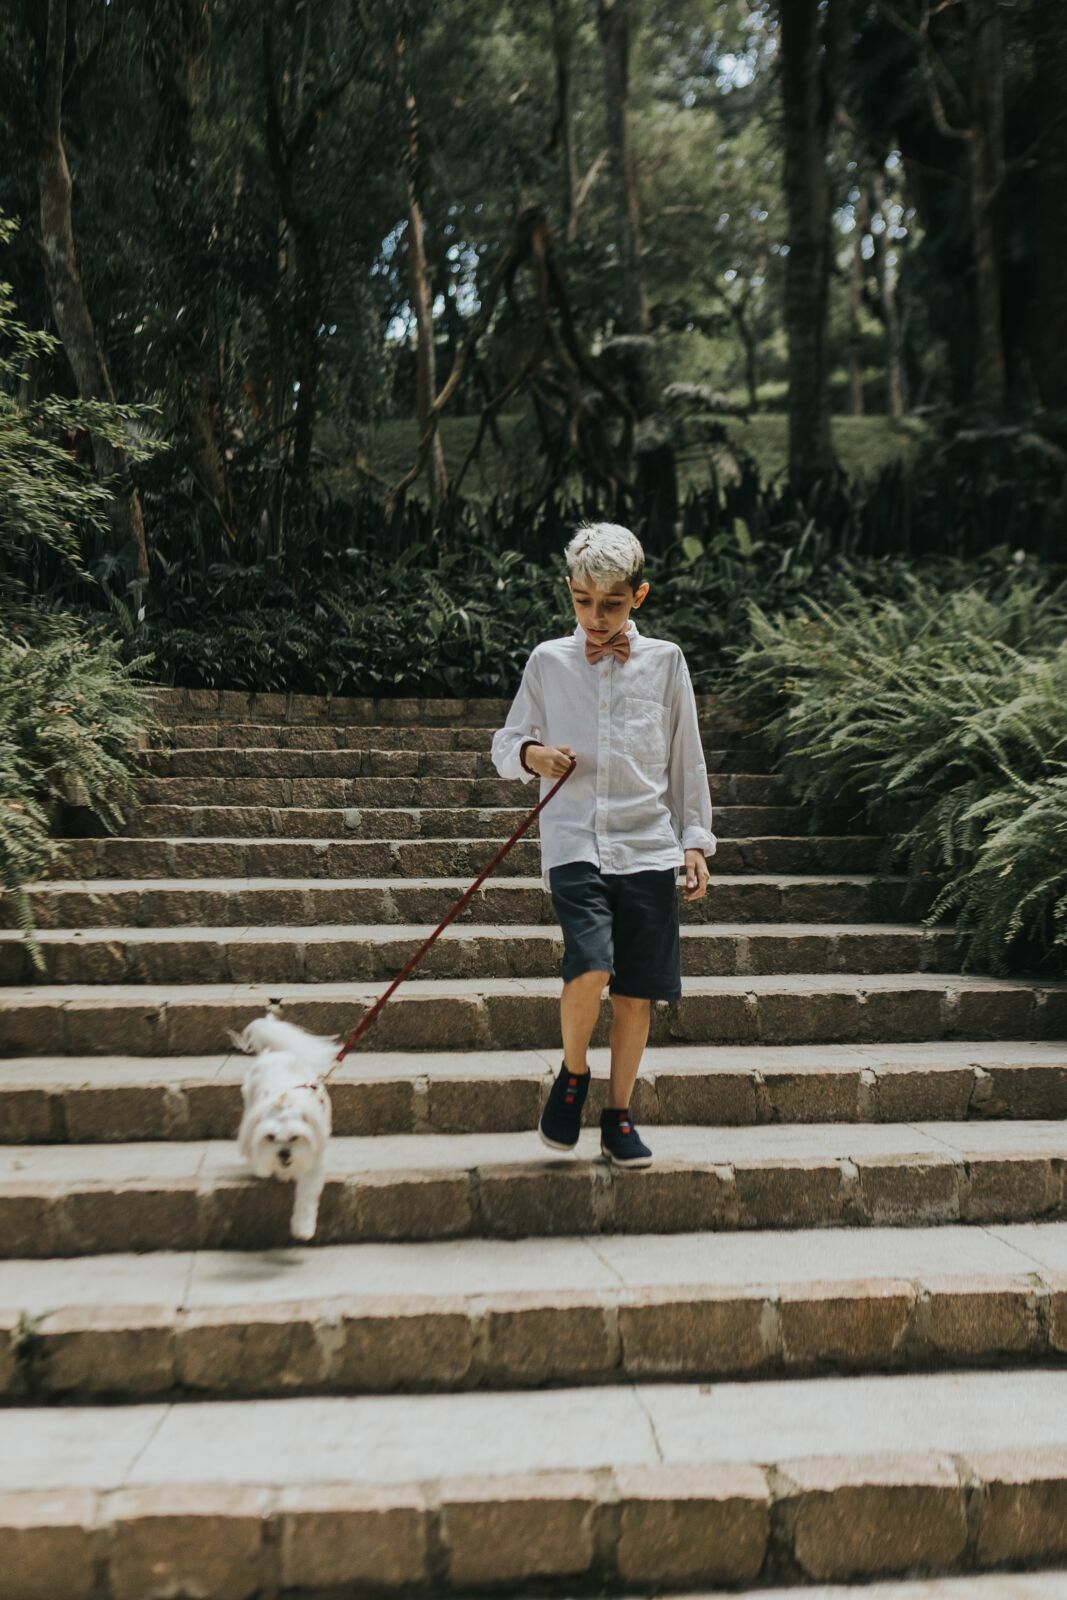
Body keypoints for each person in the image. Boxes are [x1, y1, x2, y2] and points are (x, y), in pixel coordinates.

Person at [490, 521, 716, 1168]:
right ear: (570, 592)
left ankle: (618, 1116)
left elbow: (685, 760)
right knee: (589, 962)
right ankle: (570, 1074)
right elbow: (506, 744)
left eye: (611, 604)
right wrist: (533, 755)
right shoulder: (547, 661)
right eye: (583, 602)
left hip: (647, 843)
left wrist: (693, 842)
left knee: (636, 991)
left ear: (637, 596)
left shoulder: (666, 662)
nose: (595, 617)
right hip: (573, 839)